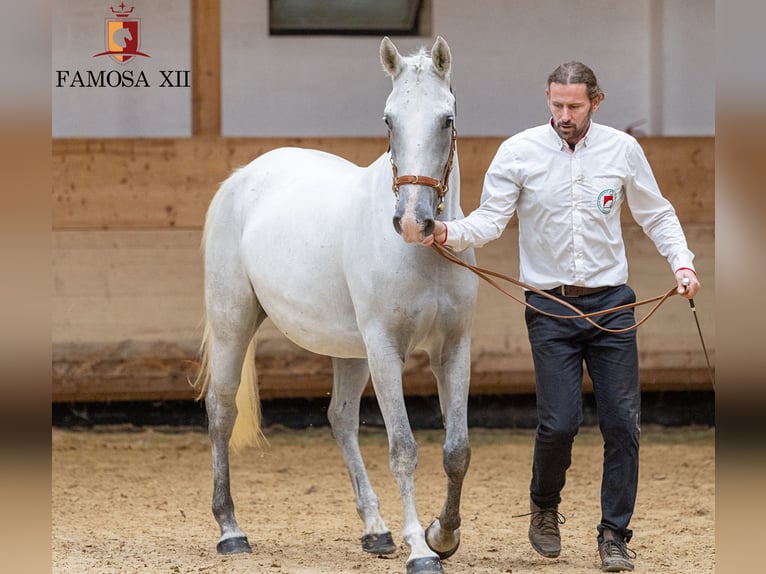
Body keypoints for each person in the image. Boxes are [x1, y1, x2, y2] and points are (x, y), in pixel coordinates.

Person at [421, 61, 700, 572]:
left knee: (623, 425)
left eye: (574, 106)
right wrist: (447, 232)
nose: (564, 115)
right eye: (556, 105)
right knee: (559, 423)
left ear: (597, 101)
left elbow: (655, 212)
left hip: (613, 304)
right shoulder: (520, 151)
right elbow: (489, 219)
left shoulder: (623, 150)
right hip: (550, 306)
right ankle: (545, 509)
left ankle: (614, 533)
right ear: (547, 99)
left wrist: (683, 264)